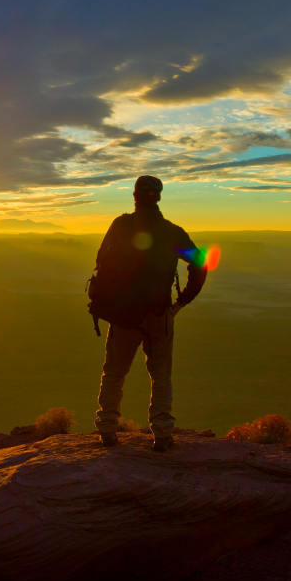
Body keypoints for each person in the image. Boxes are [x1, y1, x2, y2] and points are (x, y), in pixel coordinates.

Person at [92, 175, 207, 452]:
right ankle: (163, 434)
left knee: (114, 372)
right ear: (158, 197)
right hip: (159, 313)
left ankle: (107, 430)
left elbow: (100, 260)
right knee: (161, 375)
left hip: (123, 314)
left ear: (134, 196)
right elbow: (200, 263)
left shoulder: (120, 225)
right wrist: (182, 301)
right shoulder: (172, 232)